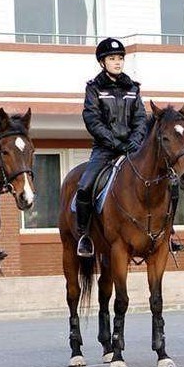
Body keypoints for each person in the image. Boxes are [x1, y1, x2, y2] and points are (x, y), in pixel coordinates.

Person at [76, 38, 146, 257]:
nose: (117, 62)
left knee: (163, 181)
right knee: (85, 187)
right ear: (102, 62)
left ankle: (168, 233)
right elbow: (92, 119)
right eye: (112, 58)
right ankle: (85, 236)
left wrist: (135, 141)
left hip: (133, 149)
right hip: (105, 150)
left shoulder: (133, 88)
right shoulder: (94, 89)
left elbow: (141, 118)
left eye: (120, 58)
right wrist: (114, 142)